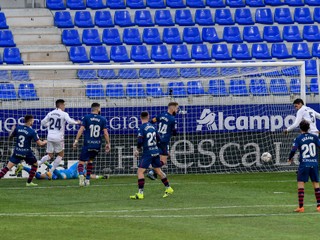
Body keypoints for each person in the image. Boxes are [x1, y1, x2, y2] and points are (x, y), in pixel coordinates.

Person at [130, 111, 174, 200]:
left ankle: (140, 193)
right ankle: (168, 188)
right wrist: (163, 150)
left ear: (140, 118)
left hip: (148, 153)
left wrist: (137, 150)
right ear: (148, 117)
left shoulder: (141, 128)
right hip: (156, 151)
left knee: (140, 172)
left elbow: (140, 141)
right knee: (158, 171)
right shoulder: (153, 127)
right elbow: (159, 139)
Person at [0, 115, 47, 186]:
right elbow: (40, 144)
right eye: (33, 121)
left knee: (7, 167)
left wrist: (12, 131)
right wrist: (45, 141)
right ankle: (29, 182)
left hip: (17, 151)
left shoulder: (18, 128)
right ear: (30, 121)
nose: (33, 122)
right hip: (26, 153)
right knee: (35, 164)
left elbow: (10, 137)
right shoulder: (32, 131)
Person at [38, 99, 80, 176]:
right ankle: (51, 171)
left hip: (50, 137)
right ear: (60, 105)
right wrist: (77, 122)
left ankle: (37, 164)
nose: (64, 106)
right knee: (61, 154)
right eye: (64, 105)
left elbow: (42, 122)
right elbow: (70, 121)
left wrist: (49, 126)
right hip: (58, 137)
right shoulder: (64, 114)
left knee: (49, 155)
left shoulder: (50, 113)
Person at [73, 102, 111, 187]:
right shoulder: (103, 119)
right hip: (97, 145)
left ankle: (82, 175)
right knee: (90, 161)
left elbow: (81, 130)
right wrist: (108, 143)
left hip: (87, 144)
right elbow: (105, 133)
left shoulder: (86, 118)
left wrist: (76, 140)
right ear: (98, 109)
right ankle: (88, 180)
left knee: (81, 162)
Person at [288, 120, 320, 213]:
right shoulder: (314, 137)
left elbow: (293, 149)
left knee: (301, 184)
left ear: (300, 128)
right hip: (314, 163)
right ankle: (319, 206)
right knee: (316, 184)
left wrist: (290, 158)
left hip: (304, 164)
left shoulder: (298, 138)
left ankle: (301, 207)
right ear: (309, 128)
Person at [147, 102, 179, 180]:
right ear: (173, 108)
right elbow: (175, 133)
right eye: (177, 108)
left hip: (157, 139)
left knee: (158, 158)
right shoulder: (173, 119)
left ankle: (154, 172)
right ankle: (152, 171)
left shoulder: (160, 115)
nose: (177, 110)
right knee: (163, 161)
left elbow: (151, 122)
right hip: (164, 141)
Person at [16, 162, 108, 180]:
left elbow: (90, 176)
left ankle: (22, 167)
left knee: (39, 177)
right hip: (64, 173)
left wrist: (101, 177)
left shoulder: (83, 172)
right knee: (62, 177)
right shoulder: (79, 165)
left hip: (55, 176)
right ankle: (48, 165)